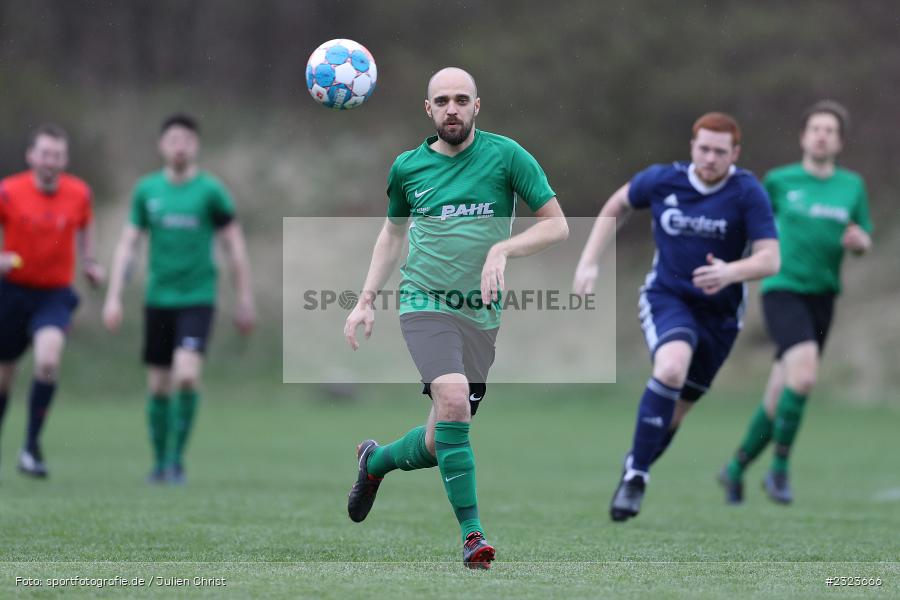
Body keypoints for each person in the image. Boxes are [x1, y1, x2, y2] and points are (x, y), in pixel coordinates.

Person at [343, 67, 568, 569]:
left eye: (461, 100)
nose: (451, 108)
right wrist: (365, 300)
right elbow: (392, 235)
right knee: (451, 399)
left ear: (476, 106)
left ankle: (374, 461)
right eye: (442, 100)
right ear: (428, 109)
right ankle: (473, 537)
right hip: (423, 302)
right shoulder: (407, 168)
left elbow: (557, 226)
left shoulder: (507, 156)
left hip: (482, 316)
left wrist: (503, 249)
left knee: (439, 436)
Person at [574, 112, 780, 522]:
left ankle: (637, 463)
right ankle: (636, 475)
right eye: (703, 148)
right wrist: (589, 260)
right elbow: (619, 202)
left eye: (719, 152)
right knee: (670, 367)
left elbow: (771, 259)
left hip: (720, 318)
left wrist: (729, 272)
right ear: (692, 147)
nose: (709, 157)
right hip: (667, 298)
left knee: (676, 412)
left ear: (734, 154)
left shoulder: (747, 192)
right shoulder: (664, 179)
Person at [719, 101, 872, 505]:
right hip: (782, 288)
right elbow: (753, 225)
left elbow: (863, 237)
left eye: (830, 130)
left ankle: (735, 468)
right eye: (815, 128)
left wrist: (860, 244)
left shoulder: (851, 187)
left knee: (780, 394)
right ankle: (779, 470)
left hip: (824, 295)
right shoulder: (779, 181)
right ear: (804, 137)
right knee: (803, 378)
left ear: (839, 141)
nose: (822, 135)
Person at [103, 114, 256, 484]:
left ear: (196, 145)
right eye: (173, 139)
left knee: (186, 377)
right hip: (158, 299)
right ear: (162, 145)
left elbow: (233, 244)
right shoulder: (147, 191)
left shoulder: (211, 191)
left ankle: (175, 460)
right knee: (158, 385)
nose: (180, 146)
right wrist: (113, 296)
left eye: (186, 139)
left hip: (198, 298)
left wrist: (244, 298)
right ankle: (158, 463)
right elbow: (129, 244)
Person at [0, 123, 103, 478]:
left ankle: (30, 448)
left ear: (65, 159)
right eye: (45, 153)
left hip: (54, 295)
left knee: (47, 361)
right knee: (3, 376)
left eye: (57, 155)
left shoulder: (79, 194)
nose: (50, 160)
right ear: (31, 156)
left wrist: (90, 262)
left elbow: (87, 224)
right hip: (10, 291)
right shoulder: (9, 192)